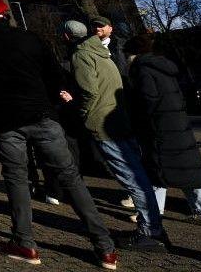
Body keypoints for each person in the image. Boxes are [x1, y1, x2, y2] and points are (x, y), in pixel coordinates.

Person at [0, 0, 117, 269]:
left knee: (16, 178)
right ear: (5, 15)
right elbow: (56, 75)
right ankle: (104, 246)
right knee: (70, 176)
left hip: (5, 118)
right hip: (41, 114)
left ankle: (25, 242)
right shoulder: (29, 38)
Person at [64, 19, 167, 251]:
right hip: (118, 119)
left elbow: (89, 91)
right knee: (138, 177)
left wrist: (79, 109)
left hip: (103, 122)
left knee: (132, 179)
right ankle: (154, 226)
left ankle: (150, 231)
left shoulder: (81, 56)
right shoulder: (102, 53)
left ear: (67, 37)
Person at [121, 33, 201, 228]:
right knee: (187, 169)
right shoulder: (164, 68)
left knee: (157, 169)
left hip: (159, 128)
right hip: (178, 125)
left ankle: (152, 213)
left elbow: (147, 101)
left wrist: (137, 120)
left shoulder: (142, 71)